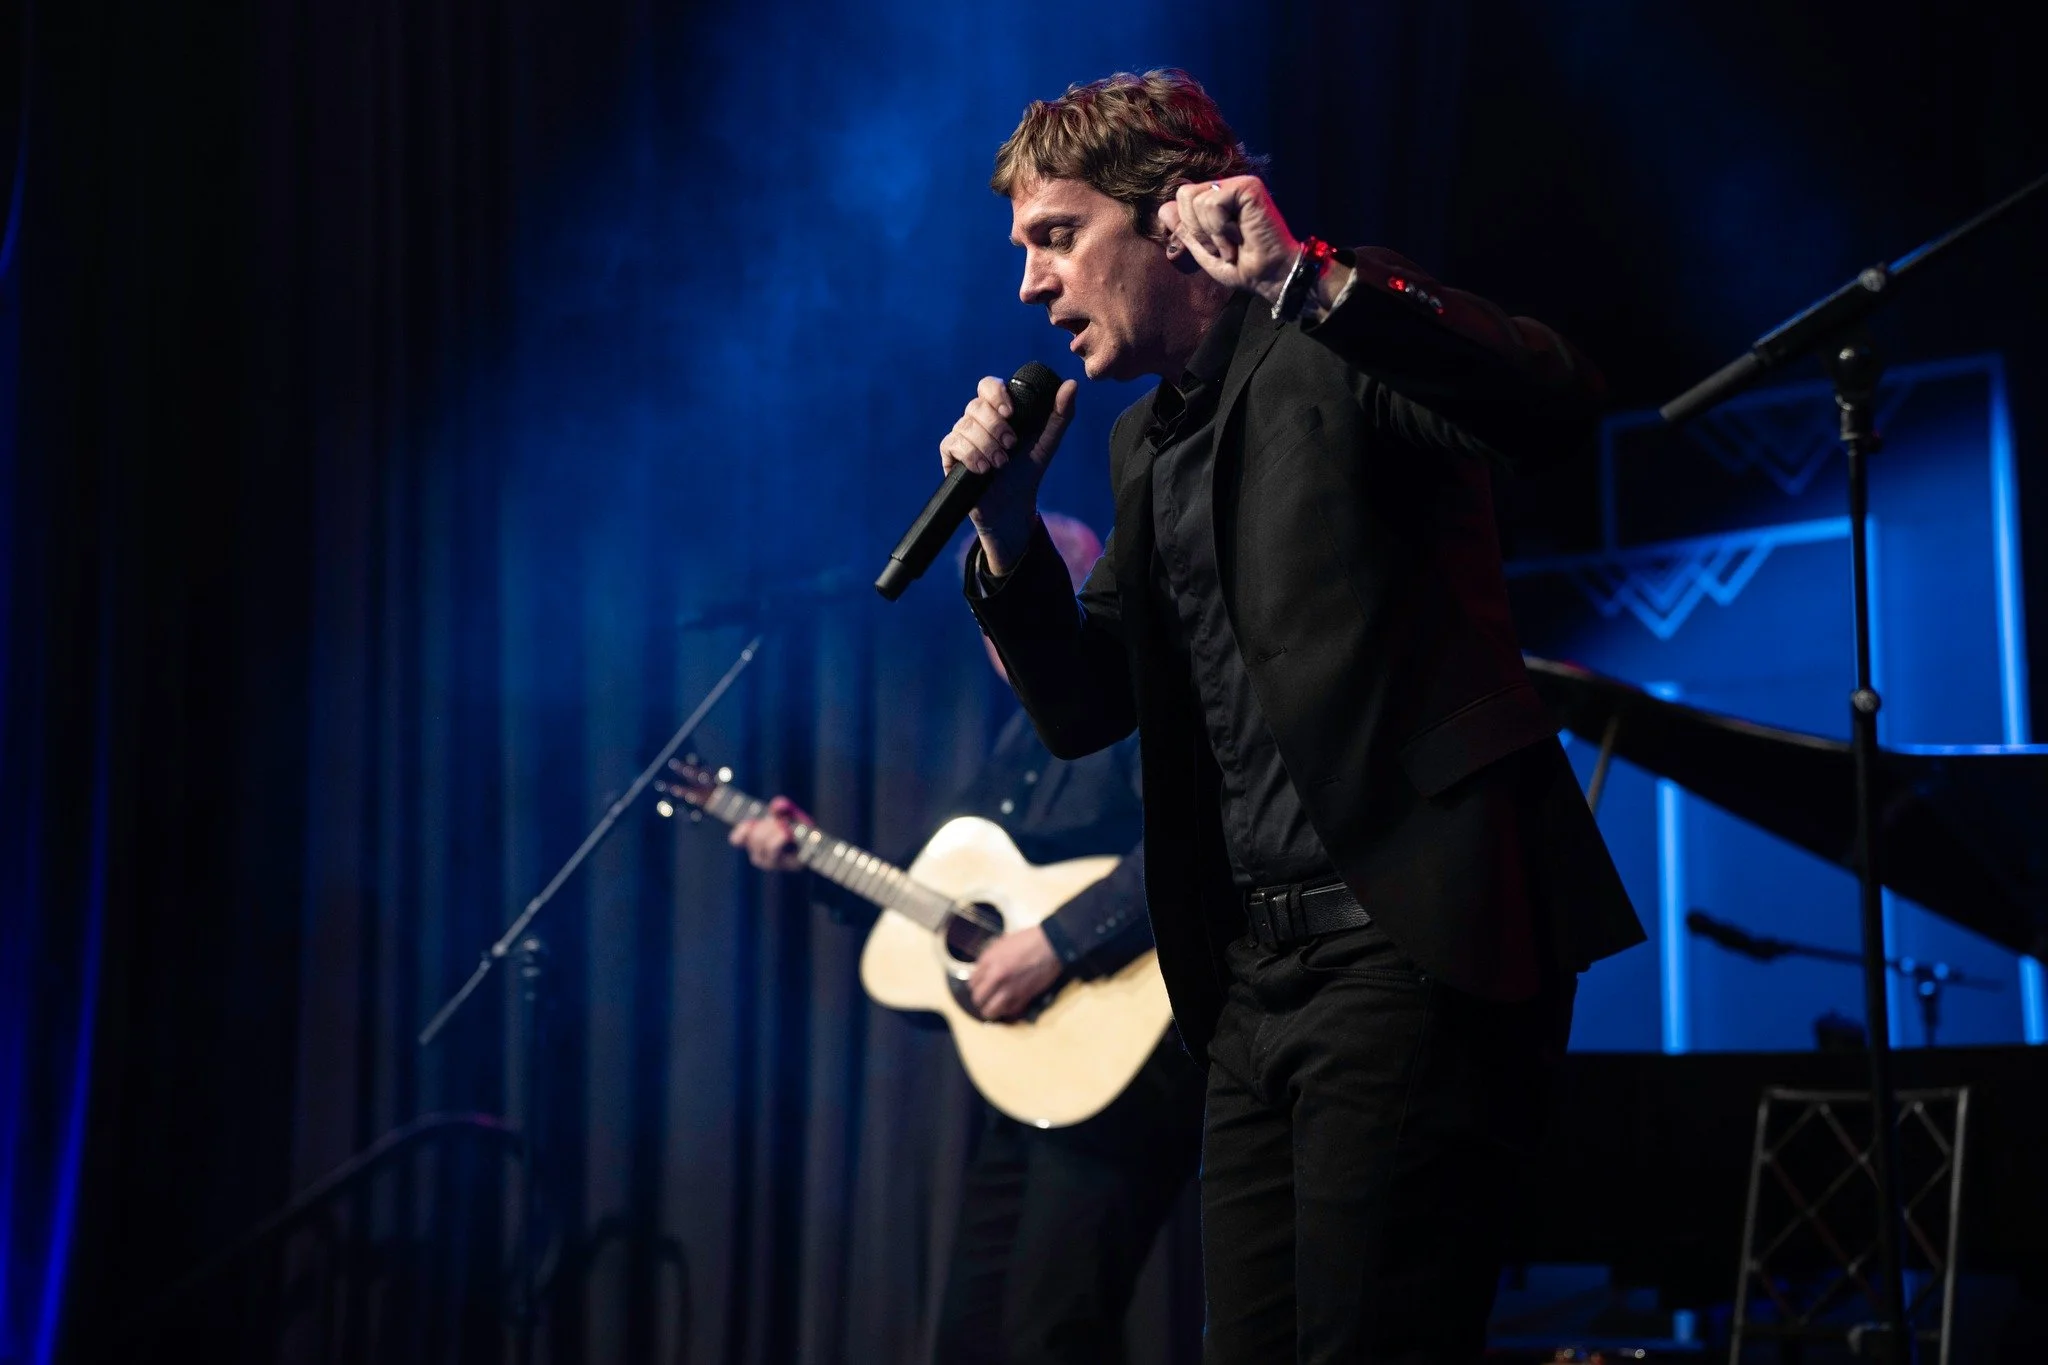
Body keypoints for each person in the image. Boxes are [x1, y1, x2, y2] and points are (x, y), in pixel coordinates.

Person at [940, 70, 1646, 1363]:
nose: (1033, 286)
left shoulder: (1335, 324)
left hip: (1407, 941)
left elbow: (1556, 398)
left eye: (1056, 237)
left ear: (1171, 216)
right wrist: (1005, 537)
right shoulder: (1143, 441)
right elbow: (1089, 704)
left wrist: (1312, 282)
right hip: (1252, 983)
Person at [729, 512, 1204, 1365]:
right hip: (1038, 1078)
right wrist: (805, 856)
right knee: (969, 1338)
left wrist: (1057, 941)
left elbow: (1191, 845)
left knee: (1049, 1338)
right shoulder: (1019, 739)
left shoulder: (1141, 702)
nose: (1000, 632)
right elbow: (935, 897)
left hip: (1135, 1072)